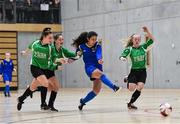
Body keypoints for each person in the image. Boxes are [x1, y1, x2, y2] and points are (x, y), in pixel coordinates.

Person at [72, 31, 120, 111]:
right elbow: (77, 56)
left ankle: (82, 101)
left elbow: (98, 53)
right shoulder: (81, 47)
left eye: (95, 39)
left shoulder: (97, 45)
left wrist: (99, 59)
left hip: (98, 67)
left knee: (96, 91)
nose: (94, 41)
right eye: (92, 39)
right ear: (88, 39)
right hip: (90, 68)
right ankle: (114, 87)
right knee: (101, 74)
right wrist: (71, 59)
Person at [17, 28, 62, 111]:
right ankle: (43, 104)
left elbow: (54, 58)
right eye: (50, 38)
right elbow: (29, 48)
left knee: (32, 87)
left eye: (52, 38)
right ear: (44, 37)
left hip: (44, 68)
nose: (51, 40)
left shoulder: (50, 47)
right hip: (35, 67)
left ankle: (21, 99)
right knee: (45, 83)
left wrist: (59, 61)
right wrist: (24, 52)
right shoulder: (35, 43)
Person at [119, 26, 154, 110]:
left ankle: (131, 103)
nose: (137, 41)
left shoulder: (143, 47)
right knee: (131, 89)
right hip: (134, 71)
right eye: (135, 39)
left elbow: (152, 40)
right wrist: (123, 58)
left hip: (142, 71)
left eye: (139, 39)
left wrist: (147, 31)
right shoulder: (130, 49)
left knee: (140, 87)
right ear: (132, 40)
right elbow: (121, 56)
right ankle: (128, 78)